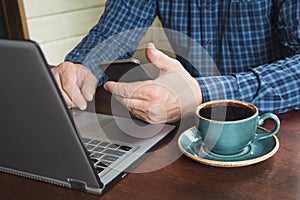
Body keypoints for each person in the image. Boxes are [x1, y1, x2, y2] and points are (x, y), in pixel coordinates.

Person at [51, 0, 300, 124]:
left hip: (273, 121)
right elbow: (113, 31)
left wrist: (202, 92)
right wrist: (83, 66)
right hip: (187, 124)